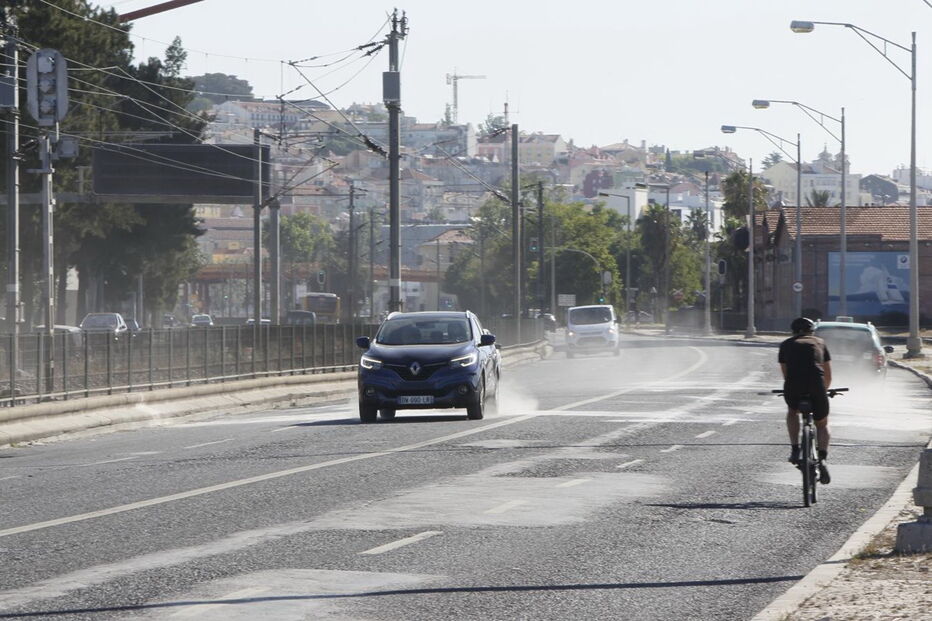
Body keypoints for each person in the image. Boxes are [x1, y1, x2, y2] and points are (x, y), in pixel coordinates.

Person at [778, 317, 833, 484]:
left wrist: (792, 388)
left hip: (794, 385)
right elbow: (828, 374)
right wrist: (824, 390)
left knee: (792, 411)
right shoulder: (820, 343)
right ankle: (822, 457)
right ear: (812, 330)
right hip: (816, 385)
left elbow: (785, 373)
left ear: (793, 331)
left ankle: (795, 449)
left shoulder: (786, 344)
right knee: (822, 423)